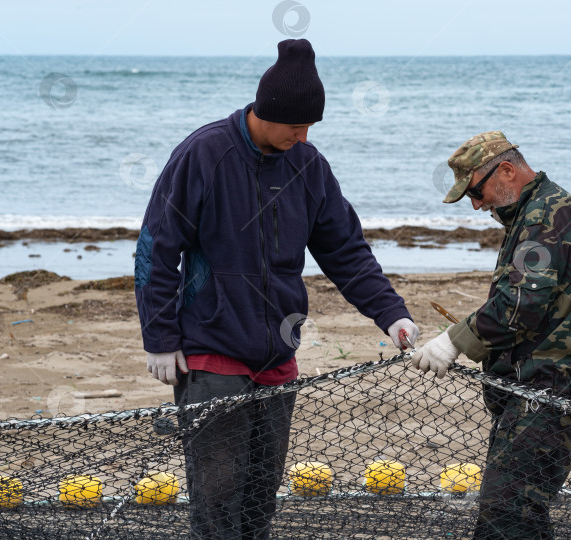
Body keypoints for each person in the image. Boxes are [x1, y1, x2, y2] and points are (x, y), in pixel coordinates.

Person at [134, 39, 419, 539]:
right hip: (210, 352)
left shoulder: (307, 165)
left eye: (311, 127)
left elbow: (345, 249)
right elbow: (155, 249)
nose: (303, 135)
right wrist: (159, 338)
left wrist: (390, 313)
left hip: (278, 357)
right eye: (295, 125)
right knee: (217, 498)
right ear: (266, 112)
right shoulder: (203, 154)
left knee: (261, 497)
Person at [411, 131, 571, 539]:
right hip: (538, 389)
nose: (477, 204)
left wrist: (452, 341)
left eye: (476, 192)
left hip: (555, 391)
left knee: (507, 513)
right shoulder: (536, 211)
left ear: (506, 170)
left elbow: (518, 306)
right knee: (520, 514)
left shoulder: (545, 216)